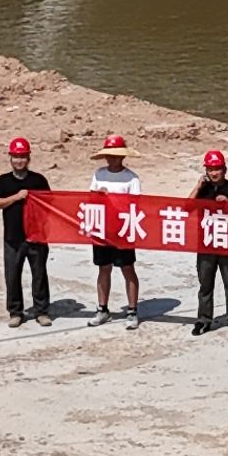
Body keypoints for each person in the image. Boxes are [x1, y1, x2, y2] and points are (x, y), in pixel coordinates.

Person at [0, 137, 52, 324]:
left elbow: (50, 204)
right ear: (10, 158)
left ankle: (41, 311)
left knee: (39, 274)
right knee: (12, 275)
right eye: (16, 157)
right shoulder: (3, 181)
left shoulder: (38, 180)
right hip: (13, 238)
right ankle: (15, 313)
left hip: (36, 236)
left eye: (23, 156)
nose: (19, 160)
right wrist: (16, 197)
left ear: (29, 158)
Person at [191, 148, 228, 336]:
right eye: (210, 169)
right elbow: (186, 208)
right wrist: (198, 186)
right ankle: (203, 320)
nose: (214, 173)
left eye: (217, 169)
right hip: (206, 243)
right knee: (205, 285)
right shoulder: (203, 189)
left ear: (224, 169)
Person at [88, 135, 144, 327]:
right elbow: (90, 199)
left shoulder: (131, 178)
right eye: (109, 155)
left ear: (122, 156)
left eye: (116, 155)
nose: (112, 158)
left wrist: (112, 200)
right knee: (103, 268)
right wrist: (99, 197)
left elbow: (135, 205)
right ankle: (102, 309)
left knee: (127, 268)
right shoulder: (99, 174)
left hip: (123, 230)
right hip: (102, 229)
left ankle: (132, 310)